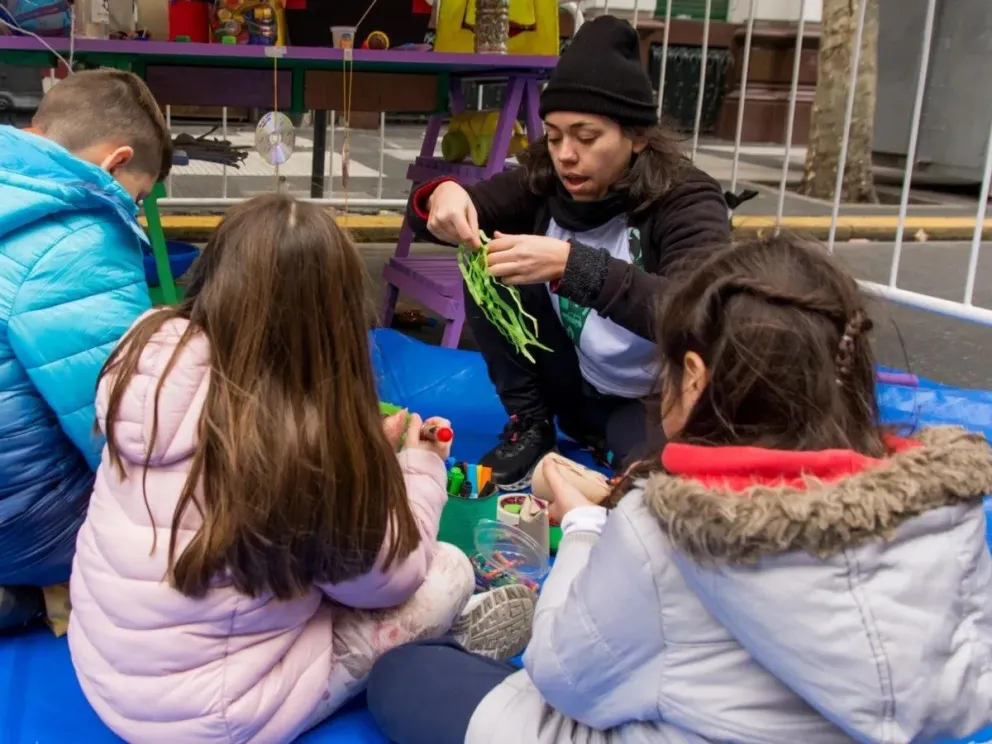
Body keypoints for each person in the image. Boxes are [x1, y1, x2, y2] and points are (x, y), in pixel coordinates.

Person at [366, 234, 992, 744]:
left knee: (405, 675)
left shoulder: (667, 529)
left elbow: (564, 675)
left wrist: (587, 525)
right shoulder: (947, 513)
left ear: (693, 377)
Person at [67, 195, 536, 743]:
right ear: (334, 323)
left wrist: (363, 453)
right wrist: (419, 465)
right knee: (448, 570)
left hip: (105, 666)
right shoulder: (303, 441)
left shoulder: (151, 353)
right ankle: (449, 642)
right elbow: (390, 578)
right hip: (210, 716)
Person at [407, 15, 730, 489]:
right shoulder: (545, 178)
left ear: (637, 136)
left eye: (586, 137)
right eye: (555, 137)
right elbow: (434, 216)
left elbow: (700, 316)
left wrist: (572, 265)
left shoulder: (686, 200)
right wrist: (443, 196)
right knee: (485, 261)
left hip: (650, 397)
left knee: (663, 486)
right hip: (571, 377)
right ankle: (532, 422)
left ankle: (609, 437)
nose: (566, 156)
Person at [0, 68, 173, 630]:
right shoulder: (84, 233)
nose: (135, 207)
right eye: (140, 194)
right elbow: (124, 429)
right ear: (116, 162)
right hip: (22, 524)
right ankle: (48, 596)